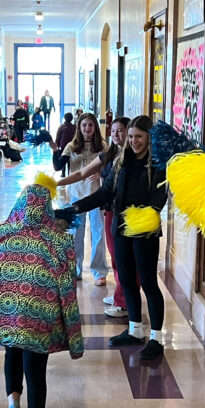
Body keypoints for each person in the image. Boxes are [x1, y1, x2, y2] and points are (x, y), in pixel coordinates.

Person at [0, 177, 83, 408]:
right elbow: (67, 288)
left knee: (12, 352)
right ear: (47, 210)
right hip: (37, 314)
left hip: (1, 308)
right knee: (36, 367)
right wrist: (73, 335)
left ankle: (12, 405)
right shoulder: (59, 242)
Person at [59, 115, 166, 360]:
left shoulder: (157, 164)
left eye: (139, 136)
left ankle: (156, 338)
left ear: (149, 137)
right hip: (121, 228)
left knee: (148, 283)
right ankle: (135, 330)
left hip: (144, 232)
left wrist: (149, 214)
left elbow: (160, 198)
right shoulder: (121, 160)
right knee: (126, 280)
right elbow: (106, 192)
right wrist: (75, 207)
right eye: (131, 136)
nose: (134, 141)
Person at [58, 116, 135, 317]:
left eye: (122, 131)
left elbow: (108, 185)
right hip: (109, 207)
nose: (117, 135)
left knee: (120, 256)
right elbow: (80, 173)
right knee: (115, 254)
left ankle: (124, 301)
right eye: (114, 131)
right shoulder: (110, 152)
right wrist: (56, 184)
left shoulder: (130, 154)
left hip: (122, 210)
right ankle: (121, 296)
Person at [53, 113, 108, 284]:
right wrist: (54, 149)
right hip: (75, 194)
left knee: (98, 233)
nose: (87, 128)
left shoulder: (103, 146)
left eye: (90, 125)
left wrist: (100, 172)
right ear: (79, 127)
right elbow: (58, 165)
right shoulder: (72, 146)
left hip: (96, 194)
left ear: (95, 127)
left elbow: (109, 167)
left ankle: (99, 272)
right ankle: (75, 269)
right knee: (76, 233)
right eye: (84, 125)